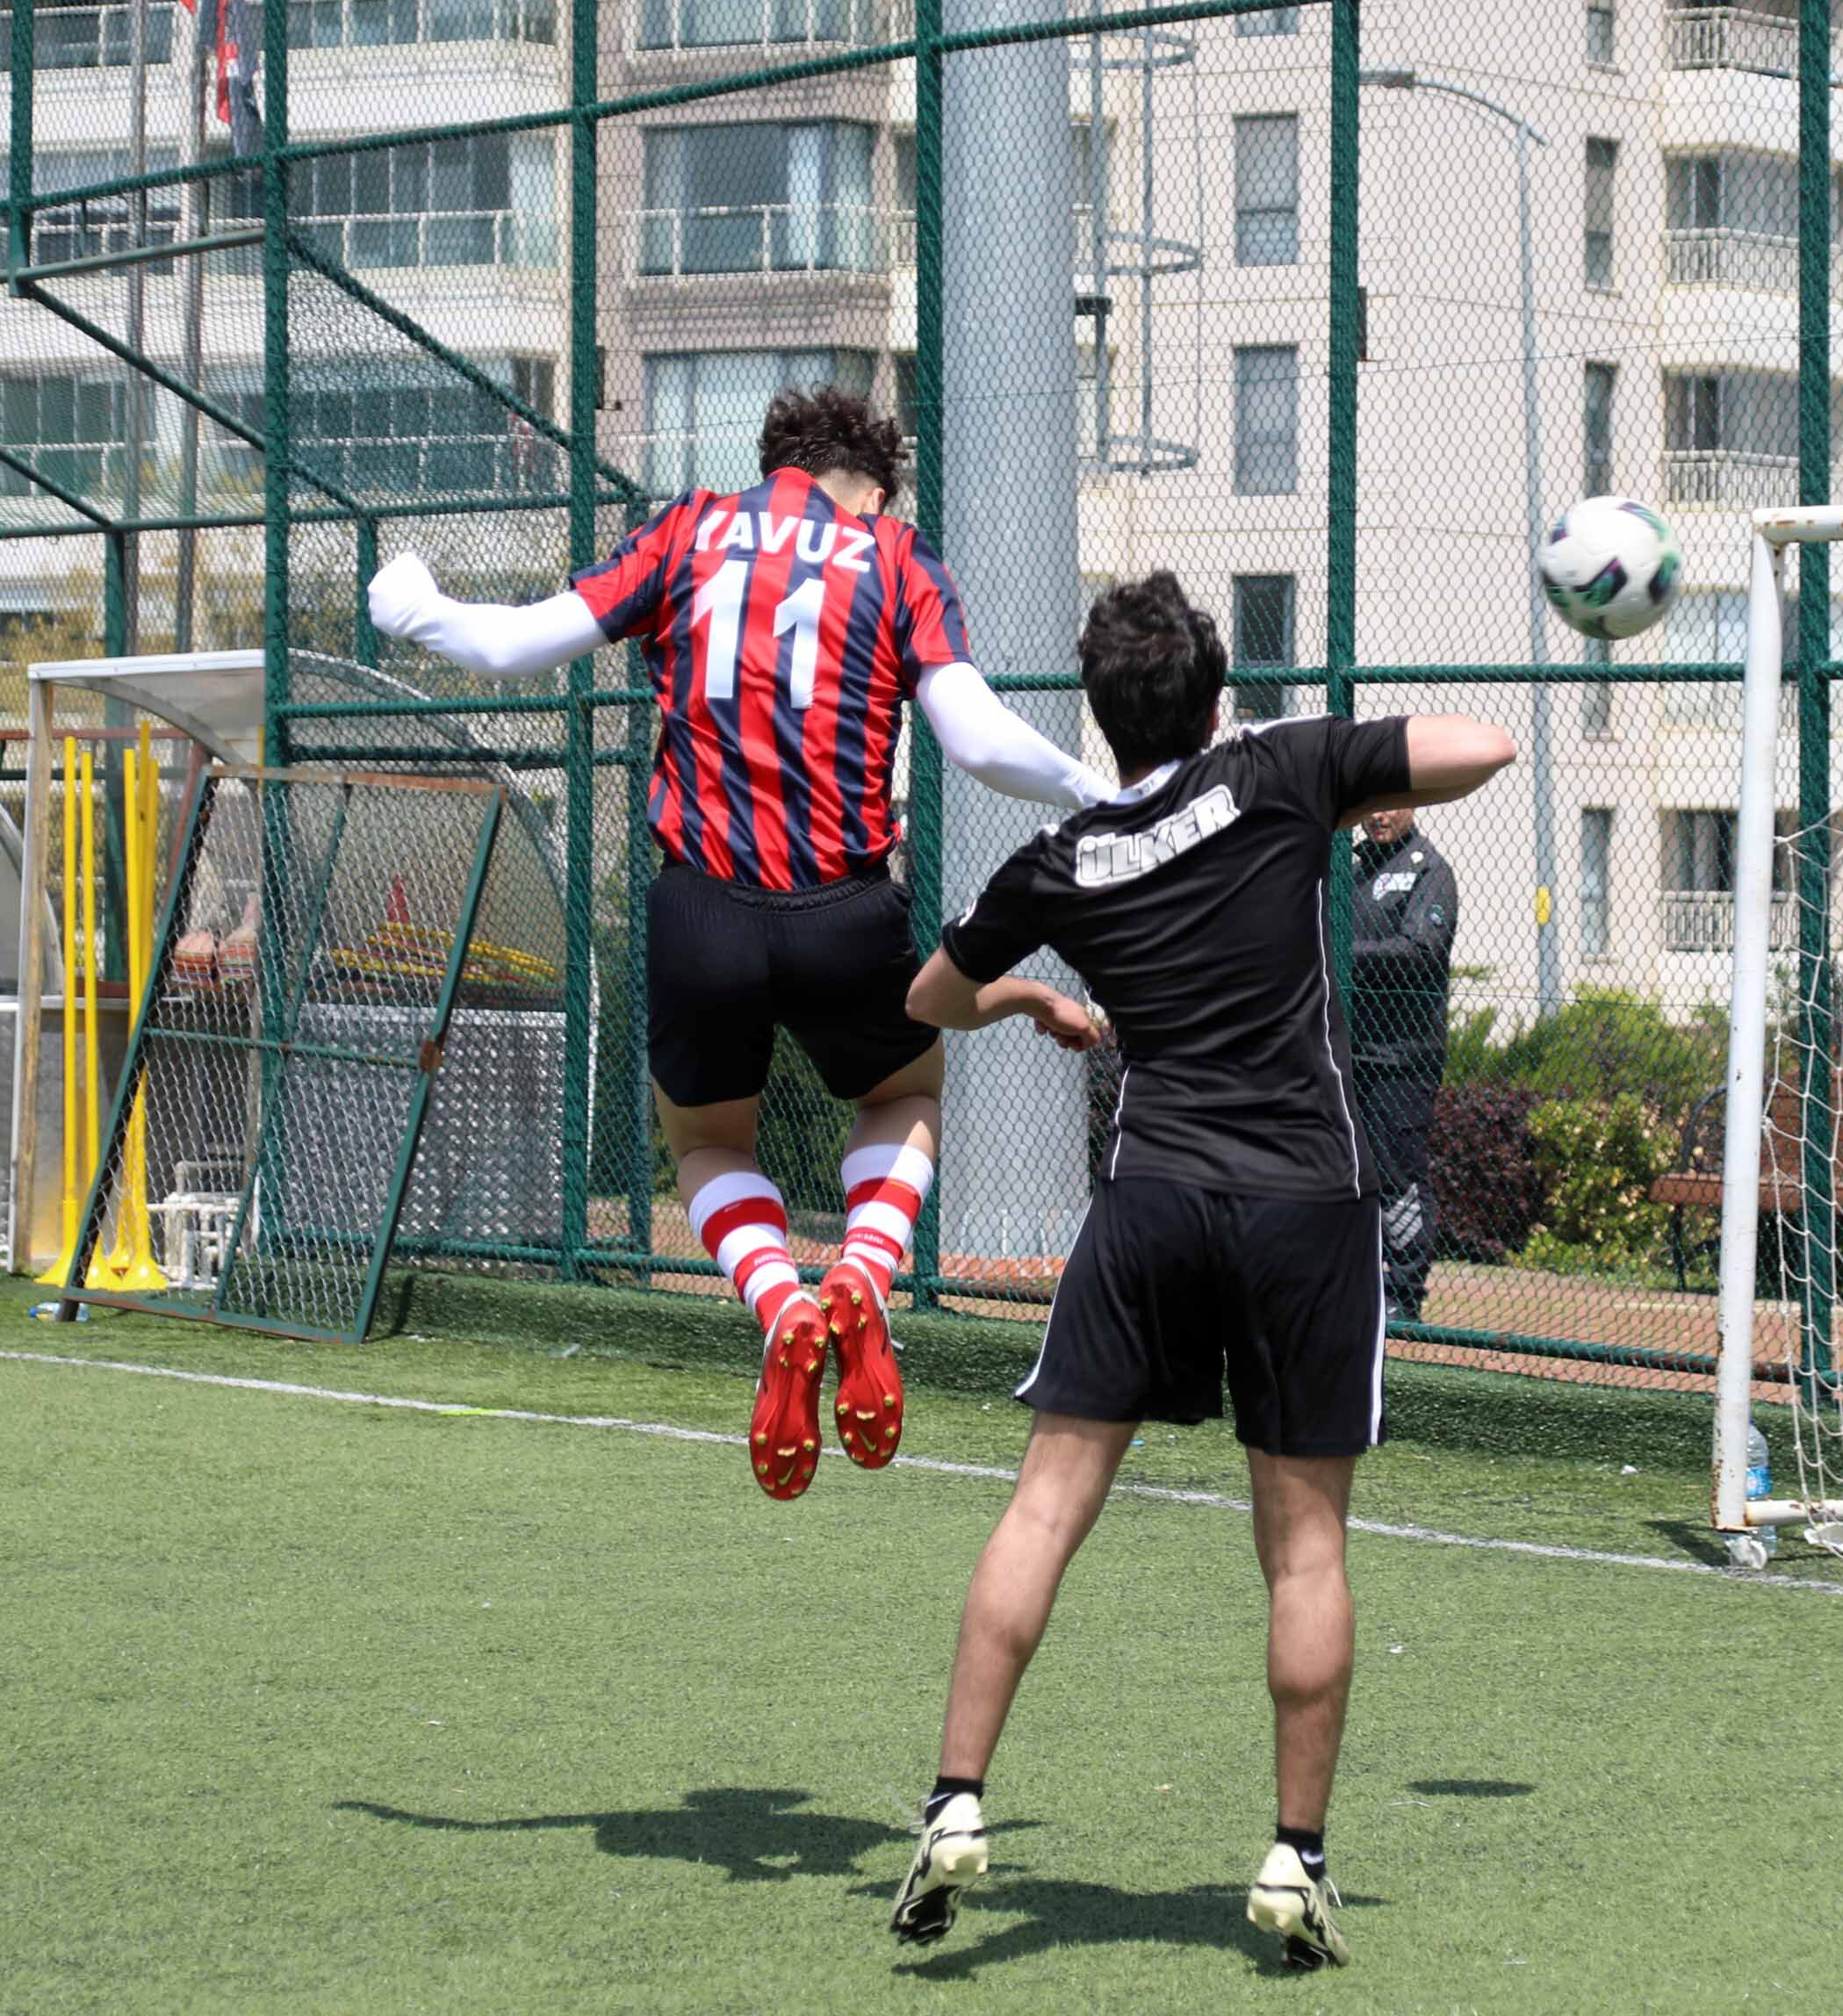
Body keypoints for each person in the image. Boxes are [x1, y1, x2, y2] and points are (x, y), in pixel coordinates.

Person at [883, 572, 1515, 1967]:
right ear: (1215, 696)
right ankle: (1294, 1859)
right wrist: (1328, 763)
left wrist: (1036, 994)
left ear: (1102, 717)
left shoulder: (1063, 853)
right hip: (1305, 1201)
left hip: (1151, 1198)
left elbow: (927, 998)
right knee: (1302, 1544)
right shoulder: (1278, 769)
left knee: (1044, 1508)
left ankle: (952, 1806)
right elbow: (1484, 746)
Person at [365, 385, 1109, 1503]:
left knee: (710, 1146)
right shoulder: (895, 558)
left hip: (699, 908)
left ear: (777, 462)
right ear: (877, 483)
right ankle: (860, 1271)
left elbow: (513, 647)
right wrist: (1094, 792)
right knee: (903, 1098)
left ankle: (783, 1305)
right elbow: (974, 736)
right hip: (842, 909)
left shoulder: (689, 529)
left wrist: (414, 604)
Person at [1346, 804, 1457, 1318]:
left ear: (1413, 805)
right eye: (1371, 805)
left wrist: (1344, 954)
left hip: (1403, 1057)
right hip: (1351, 1054)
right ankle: (1360, 1288)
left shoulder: (1429, 870)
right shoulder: (1353, 866)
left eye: (1391, 803)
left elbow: (1422, 950)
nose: (1379, 815)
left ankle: (1405, 1295)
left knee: (1398, 1176)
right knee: (1349, 1176)